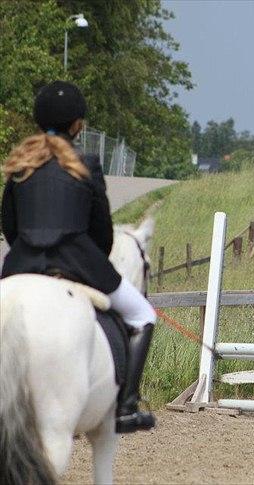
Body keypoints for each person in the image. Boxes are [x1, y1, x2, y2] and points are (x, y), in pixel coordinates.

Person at [0, 80, 156, 433]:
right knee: (143, 314)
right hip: (78, 260)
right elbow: (102, 229)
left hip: (22, 262)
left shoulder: (20, 163)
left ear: (38, 121)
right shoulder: (86, 163)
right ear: (78, 125)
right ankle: (126, 408)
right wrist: (90, 262)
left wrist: (27, 252)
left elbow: (9, 224)